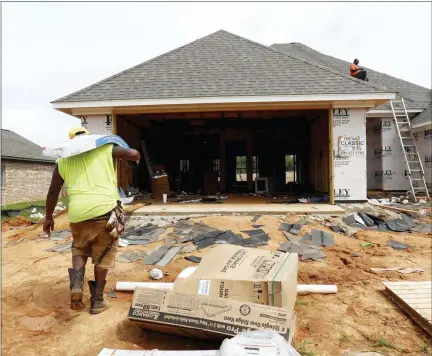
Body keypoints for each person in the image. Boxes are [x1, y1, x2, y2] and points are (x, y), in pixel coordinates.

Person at [43, 127, 141, 314]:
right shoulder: (104, 148)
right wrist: (135, 156)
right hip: (104, 211)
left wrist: (48, 218)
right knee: (103, 255)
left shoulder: (63, 160)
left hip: (78, 214)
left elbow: (53, 191)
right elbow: (133, 153)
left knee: (79, 248)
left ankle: (77, 287)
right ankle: (97, 301)